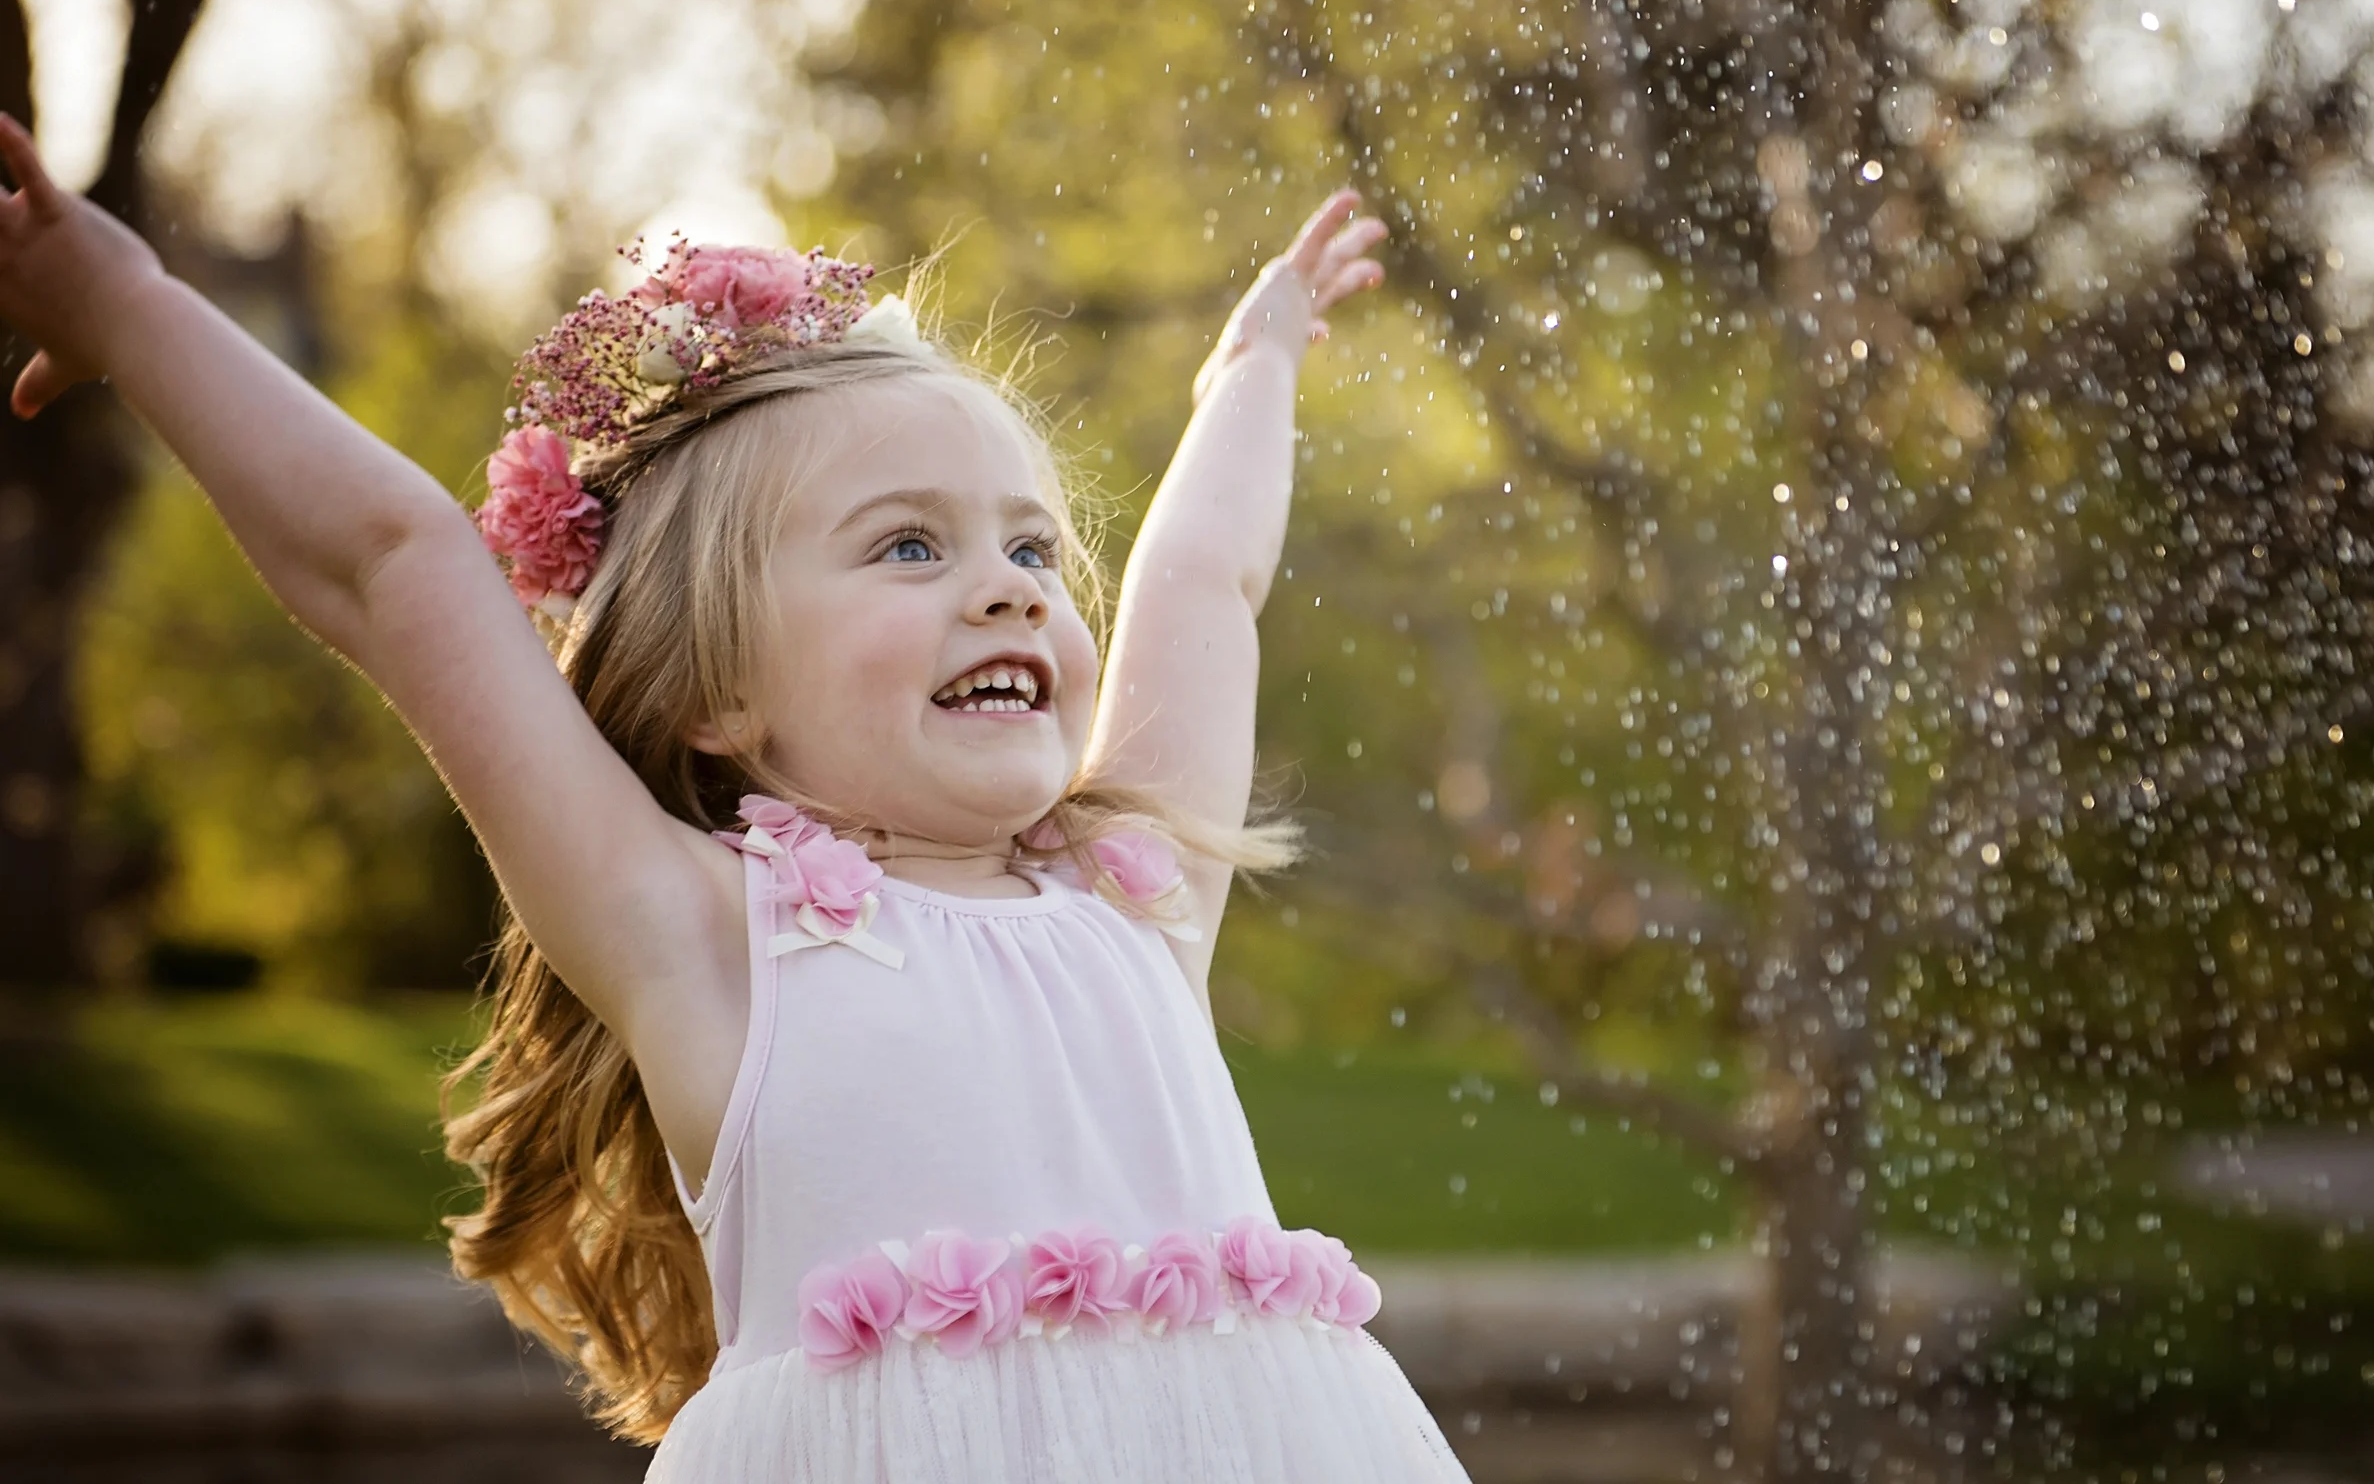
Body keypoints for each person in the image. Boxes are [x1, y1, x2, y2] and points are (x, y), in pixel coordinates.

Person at [0, 116, 1469, 1482]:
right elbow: (395, 570)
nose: (1010, 595)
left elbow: (1202, 575)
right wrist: (130, 309)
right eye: (908, 549)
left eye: (1031, 551)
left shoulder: (1138, 893)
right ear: (717, 694)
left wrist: (1257, 365)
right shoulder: (701, 938)